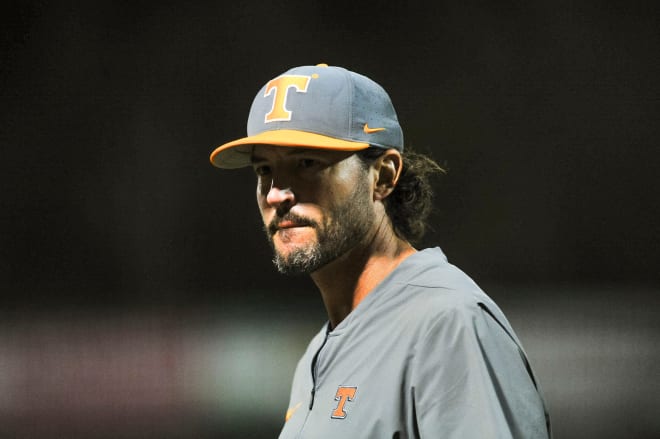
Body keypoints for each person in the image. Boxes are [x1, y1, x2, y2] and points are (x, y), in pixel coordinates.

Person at [209, 63, 551, 438]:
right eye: (263, 169)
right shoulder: (317, 352)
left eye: (306, 163)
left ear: (384, 176)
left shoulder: (446, 324)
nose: (277, 192)